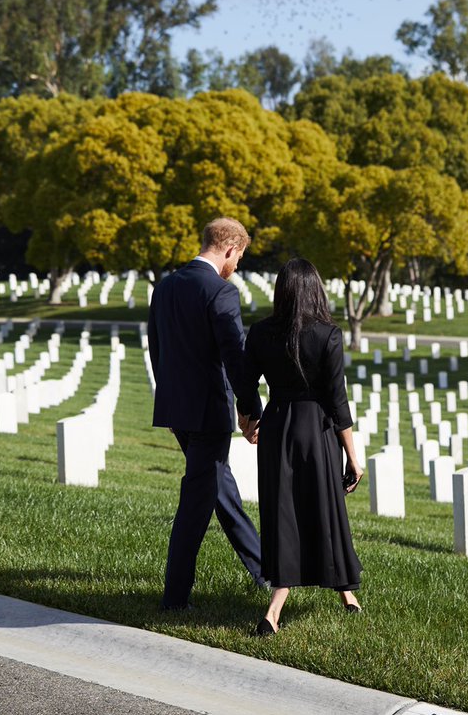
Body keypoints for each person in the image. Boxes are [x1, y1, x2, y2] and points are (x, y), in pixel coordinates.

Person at [147, 217, 267, 611]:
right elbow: (235, 356)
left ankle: (264, 570)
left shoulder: (164, 287)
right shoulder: (220, 292)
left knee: (221, 491)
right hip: (208, 414)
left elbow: (157, 350)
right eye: (240, 258)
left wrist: (170, 405)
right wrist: (252, 409)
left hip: (178, 410)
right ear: (230, 248)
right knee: (195, 505)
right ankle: (175, 598)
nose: (237, 267)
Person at [244, 257, 364, 636]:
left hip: (278, 426)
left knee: (283, 514)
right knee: (326, 510)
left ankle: (276, 610)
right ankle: (344, 591)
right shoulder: (328, 335)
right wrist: (353, 457)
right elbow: (337, 401)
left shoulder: (261, 332)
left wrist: (249, 420)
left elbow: (245, 383)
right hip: (317, 432)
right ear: (316, 290)